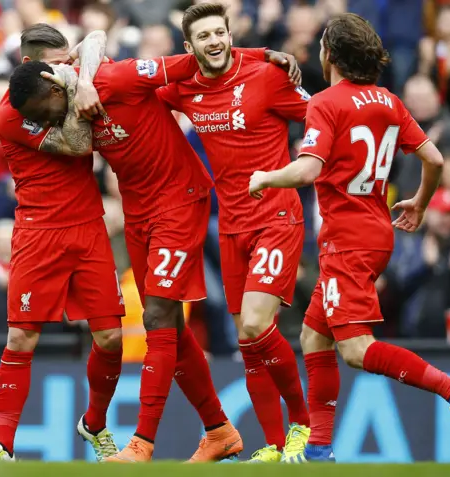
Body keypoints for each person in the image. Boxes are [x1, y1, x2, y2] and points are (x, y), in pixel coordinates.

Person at [8, 26, 301, 462]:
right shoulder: (75, 93)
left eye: (46, 110)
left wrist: (261, 53)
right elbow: (90, 45)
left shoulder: (119, 78)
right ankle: (220, 431)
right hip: (139, 210)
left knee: (160, 315)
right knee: (170, 327)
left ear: (53, 81)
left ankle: (142, 443)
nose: (51, 120)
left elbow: (198, 59)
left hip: (180, 199)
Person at [248, 13, 450, 463]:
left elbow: (308, 169)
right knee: (312, 336)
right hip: (376, 231)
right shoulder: (388, 100)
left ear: (330, 54)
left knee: (356, 350)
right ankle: (319, 449)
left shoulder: (325, 102)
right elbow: (434, 159)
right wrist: (419, 203)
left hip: (348, 240)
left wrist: (266, 176)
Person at [156, 3, 312, 463]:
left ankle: (303, 424)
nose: (214, 42)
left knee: (253, 324)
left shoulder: (267, 76)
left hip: (277, 217)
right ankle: (273, 443)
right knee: (247, 342)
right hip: (230, 226)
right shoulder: (185, 88)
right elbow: (139, 89)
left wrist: (267, 56)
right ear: (189, 48)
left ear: (230, 34)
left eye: (220, 33)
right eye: (203, 37)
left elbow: (322, 118)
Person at [0, 27, 126, 463]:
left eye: (66, 62)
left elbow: (95, 36)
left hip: (88, 227)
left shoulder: (66, 78)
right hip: (39, 232)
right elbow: (78, 144)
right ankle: (2, 446)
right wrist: (83, 85)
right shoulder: (10, 112)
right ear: (30, 66)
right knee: (21, 337)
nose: (66, 70)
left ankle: (94, 425)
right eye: (56, 65)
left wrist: (83, 74)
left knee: (111, 337)